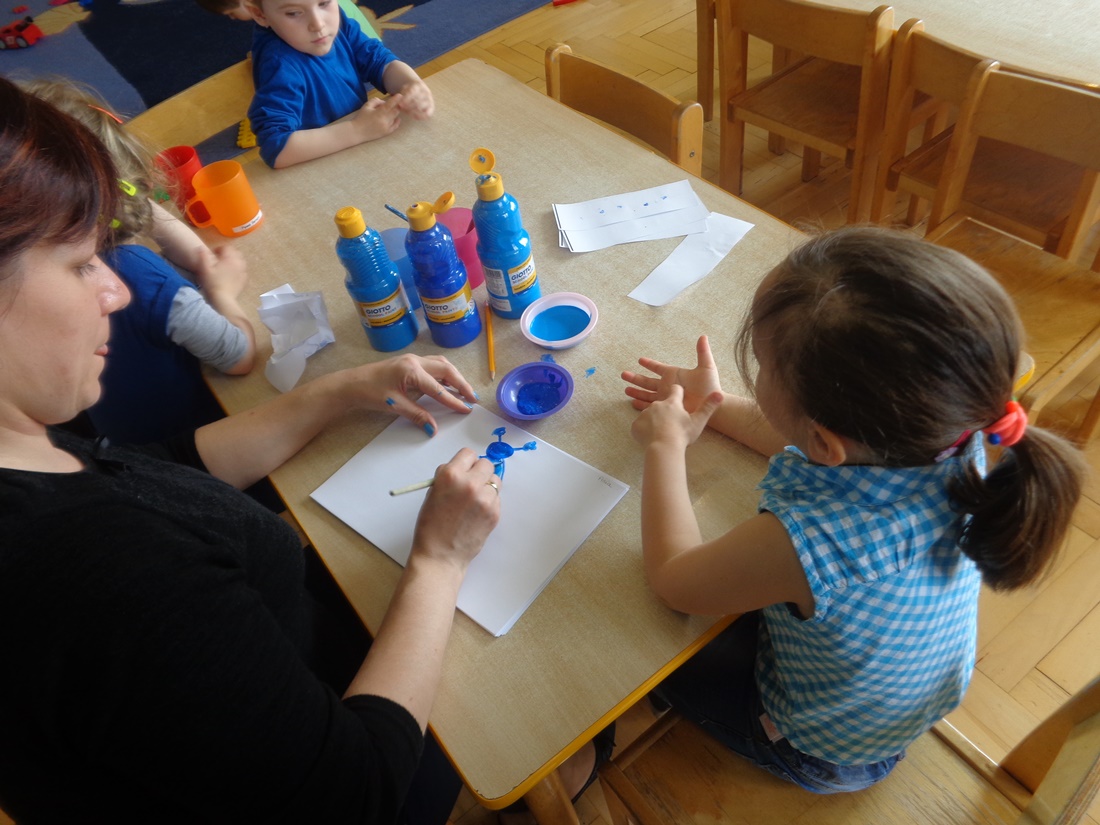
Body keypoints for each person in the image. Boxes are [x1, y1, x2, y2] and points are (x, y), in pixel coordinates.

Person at [0, 75, 494, 824]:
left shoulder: (31, 451)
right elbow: (355, 793)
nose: (117, 292)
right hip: (378, 761)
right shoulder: (108, 580)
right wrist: (440, 559)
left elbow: (157, 471)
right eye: (79, 264)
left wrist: (339, 391)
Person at [621, 226, 1085, 794]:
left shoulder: (811, 541)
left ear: (825, 441)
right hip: (891, 709)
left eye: (762, 364)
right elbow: (807, 444)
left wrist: (665, 446)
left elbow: (676, 582)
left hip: (820, 750)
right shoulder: (957, 437)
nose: (757, 372)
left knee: (637, 650)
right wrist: (709, 407)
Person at [20, 77, 258, 445]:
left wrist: (127, 198)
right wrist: (222, 292)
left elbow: (197, 258)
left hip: (122, 443)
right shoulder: (135, 272)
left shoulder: (34, 274)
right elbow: (239, 356)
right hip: (199, 439)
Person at [243, 0, 434, 168]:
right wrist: (357, 130)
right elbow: (276, 148)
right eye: (293, 13)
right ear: (260, 15)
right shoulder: (279, 64)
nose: (318, 24)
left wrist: (410, 85)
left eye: (324, 3)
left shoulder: (336, 23)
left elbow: (378, 61)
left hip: (361, 148)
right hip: (319, 169)